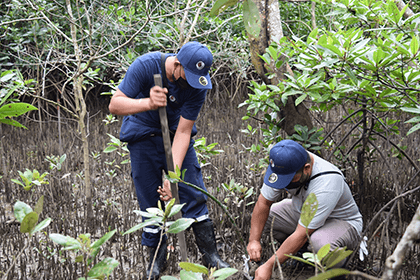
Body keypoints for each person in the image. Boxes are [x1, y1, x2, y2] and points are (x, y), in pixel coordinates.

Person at [109, 41, 229, 280]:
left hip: (176, 134)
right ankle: (156, 259)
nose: (193, 83)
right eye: (189, 75)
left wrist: (172, 177)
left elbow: (184, 131)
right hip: (142, 136)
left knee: (193, 190)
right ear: (176, 65)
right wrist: (148, 103)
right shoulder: (145, 66)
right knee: (149, 199)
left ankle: (210, 255)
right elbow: (115, 105)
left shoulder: (198, 85)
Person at [247, 139, 363, 280]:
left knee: (319, 242)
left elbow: (301, 235)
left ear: (307, 168)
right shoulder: (284, 165)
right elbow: (263, 204)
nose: (284, 184)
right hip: (305, 212)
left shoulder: (327, 182)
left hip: (342, 222)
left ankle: (338, 270)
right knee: (270, 216)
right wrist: (254, 240)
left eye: (289, 180)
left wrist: (269, 266)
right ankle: (303, 255)